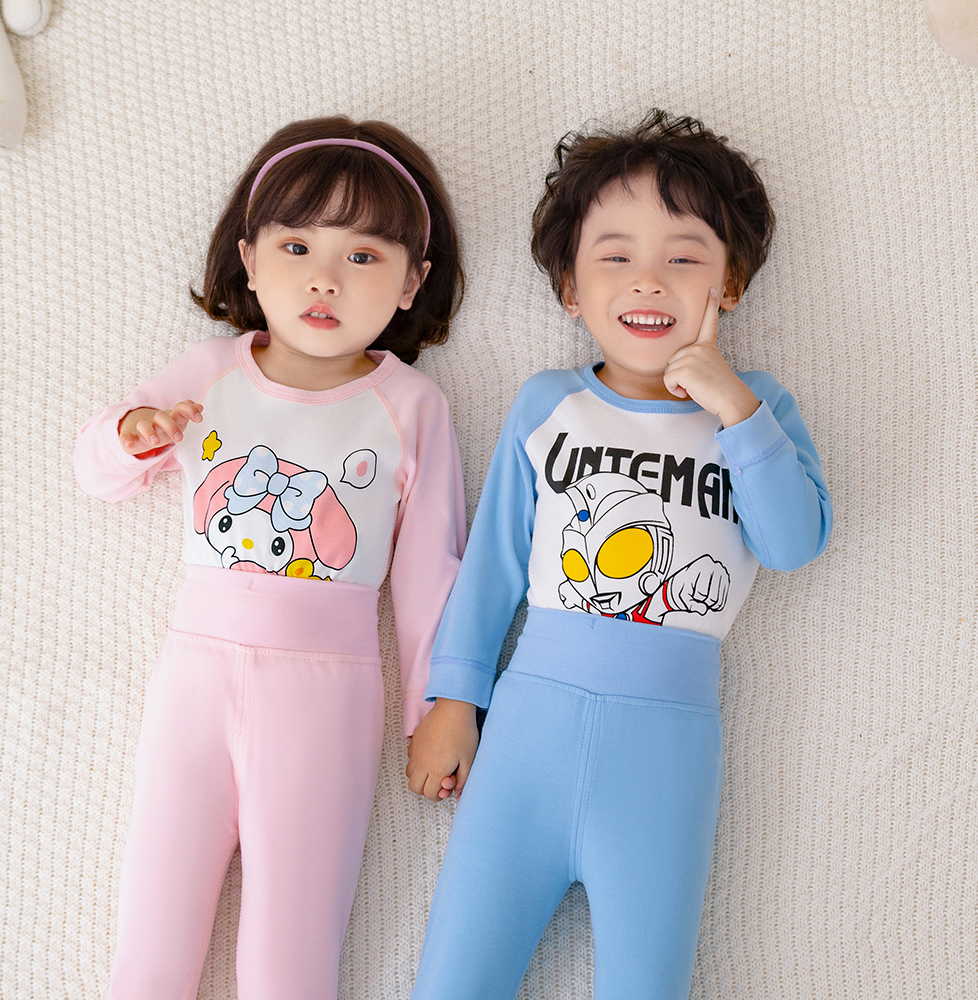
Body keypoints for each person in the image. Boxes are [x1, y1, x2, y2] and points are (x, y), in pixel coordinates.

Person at [406, 109, 832, 1000]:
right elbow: (492, 565)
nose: (649, 279)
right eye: (616, 256)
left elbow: (793, 544)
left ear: (730, 283)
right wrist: (454, 699)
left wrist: (734, 407)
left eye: (684, 257)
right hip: (527, 728)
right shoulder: (547, 405)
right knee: (454, 979)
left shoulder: (759, 409)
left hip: (665, 748)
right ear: (571, 288)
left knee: (647, 982)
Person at [74, 116, 466, 1000]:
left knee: (290, 955)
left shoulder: (411, 405)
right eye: (297, 247)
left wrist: (438, 709)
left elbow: (430, 573)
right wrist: (131, 435)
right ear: (250, 261)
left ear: (412, 282)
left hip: (326, 695)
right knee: (152, 939)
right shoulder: (207, 371)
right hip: (194, 679)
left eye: (363, 256)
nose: (325, 277)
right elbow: (97, 473)